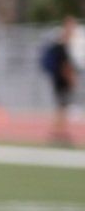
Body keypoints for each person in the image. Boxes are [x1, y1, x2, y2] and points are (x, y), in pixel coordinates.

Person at [42, 16, 78, 145]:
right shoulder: (63, 45)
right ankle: (57, 133)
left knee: (62, 108)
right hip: (61, 81)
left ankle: (59, 132)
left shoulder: (62, 44)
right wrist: (71, 79)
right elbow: (65, 66)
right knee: (61, 108)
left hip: (59, 80)